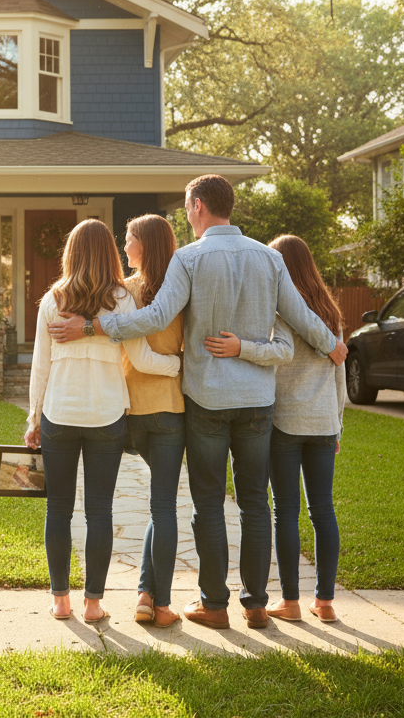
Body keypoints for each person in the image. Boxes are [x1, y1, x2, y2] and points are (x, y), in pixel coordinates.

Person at [49, 175, 346, 631]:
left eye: (188, 208)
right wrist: (332, 344)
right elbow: (300, 314)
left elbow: (154, 317)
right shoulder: (270, 259)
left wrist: (92, 328)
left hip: (207, 400)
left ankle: (215, 604)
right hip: (257, 401)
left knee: (208, 504)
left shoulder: (189, 259)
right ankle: (257, 605)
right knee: (254, 503)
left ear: (200, 206)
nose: (187, 217)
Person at [26, 219, 181, 624]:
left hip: (58, 413)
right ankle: (93, 603)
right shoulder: (121, 300)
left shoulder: (51, 300)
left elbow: (39, 368)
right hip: (107, 416)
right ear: (109, 254)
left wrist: (32, 419)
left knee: (57, 510)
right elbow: (145, 359)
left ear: (71, 254)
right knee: (99, 510)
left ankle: (61, 601)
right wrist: (180, 364)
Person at [204, 234, 345, 624]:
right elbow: (340, 375)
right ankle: (326, 601)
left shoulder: (281, 312)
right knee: (323, 510)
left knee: (285, 511)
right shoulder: (330, 314)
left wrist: (242, 348)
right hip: (322, 423)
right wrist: (337, 426)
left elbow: (275, 355)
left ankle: (291, 600)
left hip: (283, 423)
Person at [120, 214, 186, 628]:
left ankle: (146, 594)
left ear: (143, 245)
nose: (124, 245)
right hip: (169, 409)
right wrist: (178, 363)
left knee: (158, 510)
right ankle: (160, 604)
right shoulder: (181, 289)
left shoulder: (125, 292)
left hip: (131, 409)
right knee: (164, 507)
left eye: (128, 239)